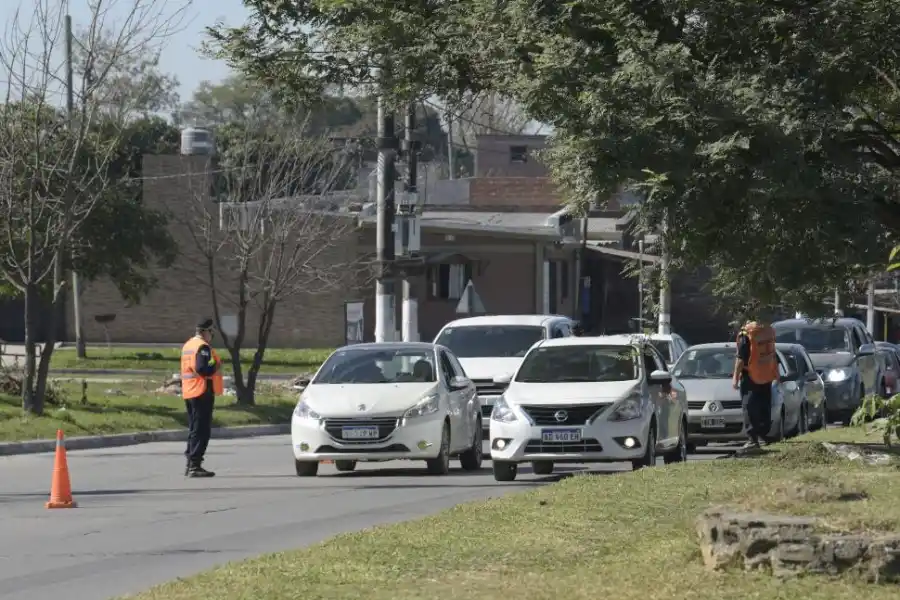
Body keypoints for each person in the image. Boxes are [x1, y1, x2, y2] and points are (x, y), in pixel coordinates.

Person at [180, 318, 224, 477]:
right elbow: (202, 369)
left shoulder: (188, 345)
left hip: (190, 391)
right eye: (211, 332)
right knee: (201, 430)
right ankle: (195, 465)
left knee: (194, 428)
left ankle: (190, 462)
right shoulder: (203, 347)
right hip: (201, 391)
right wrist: (216, 366)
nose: (212, 335)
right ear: (206, 331)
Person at [732, 320, 779, 449]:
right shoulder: (768, 330)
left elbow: (741, 357)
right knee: (764, 405)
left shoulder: (747, 333)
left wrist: (735, 378)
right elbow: (773, 353)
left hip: (751, 375)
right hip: (766, 374)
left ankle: (753, 439)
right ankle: (763, 435)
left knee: (750, 407)